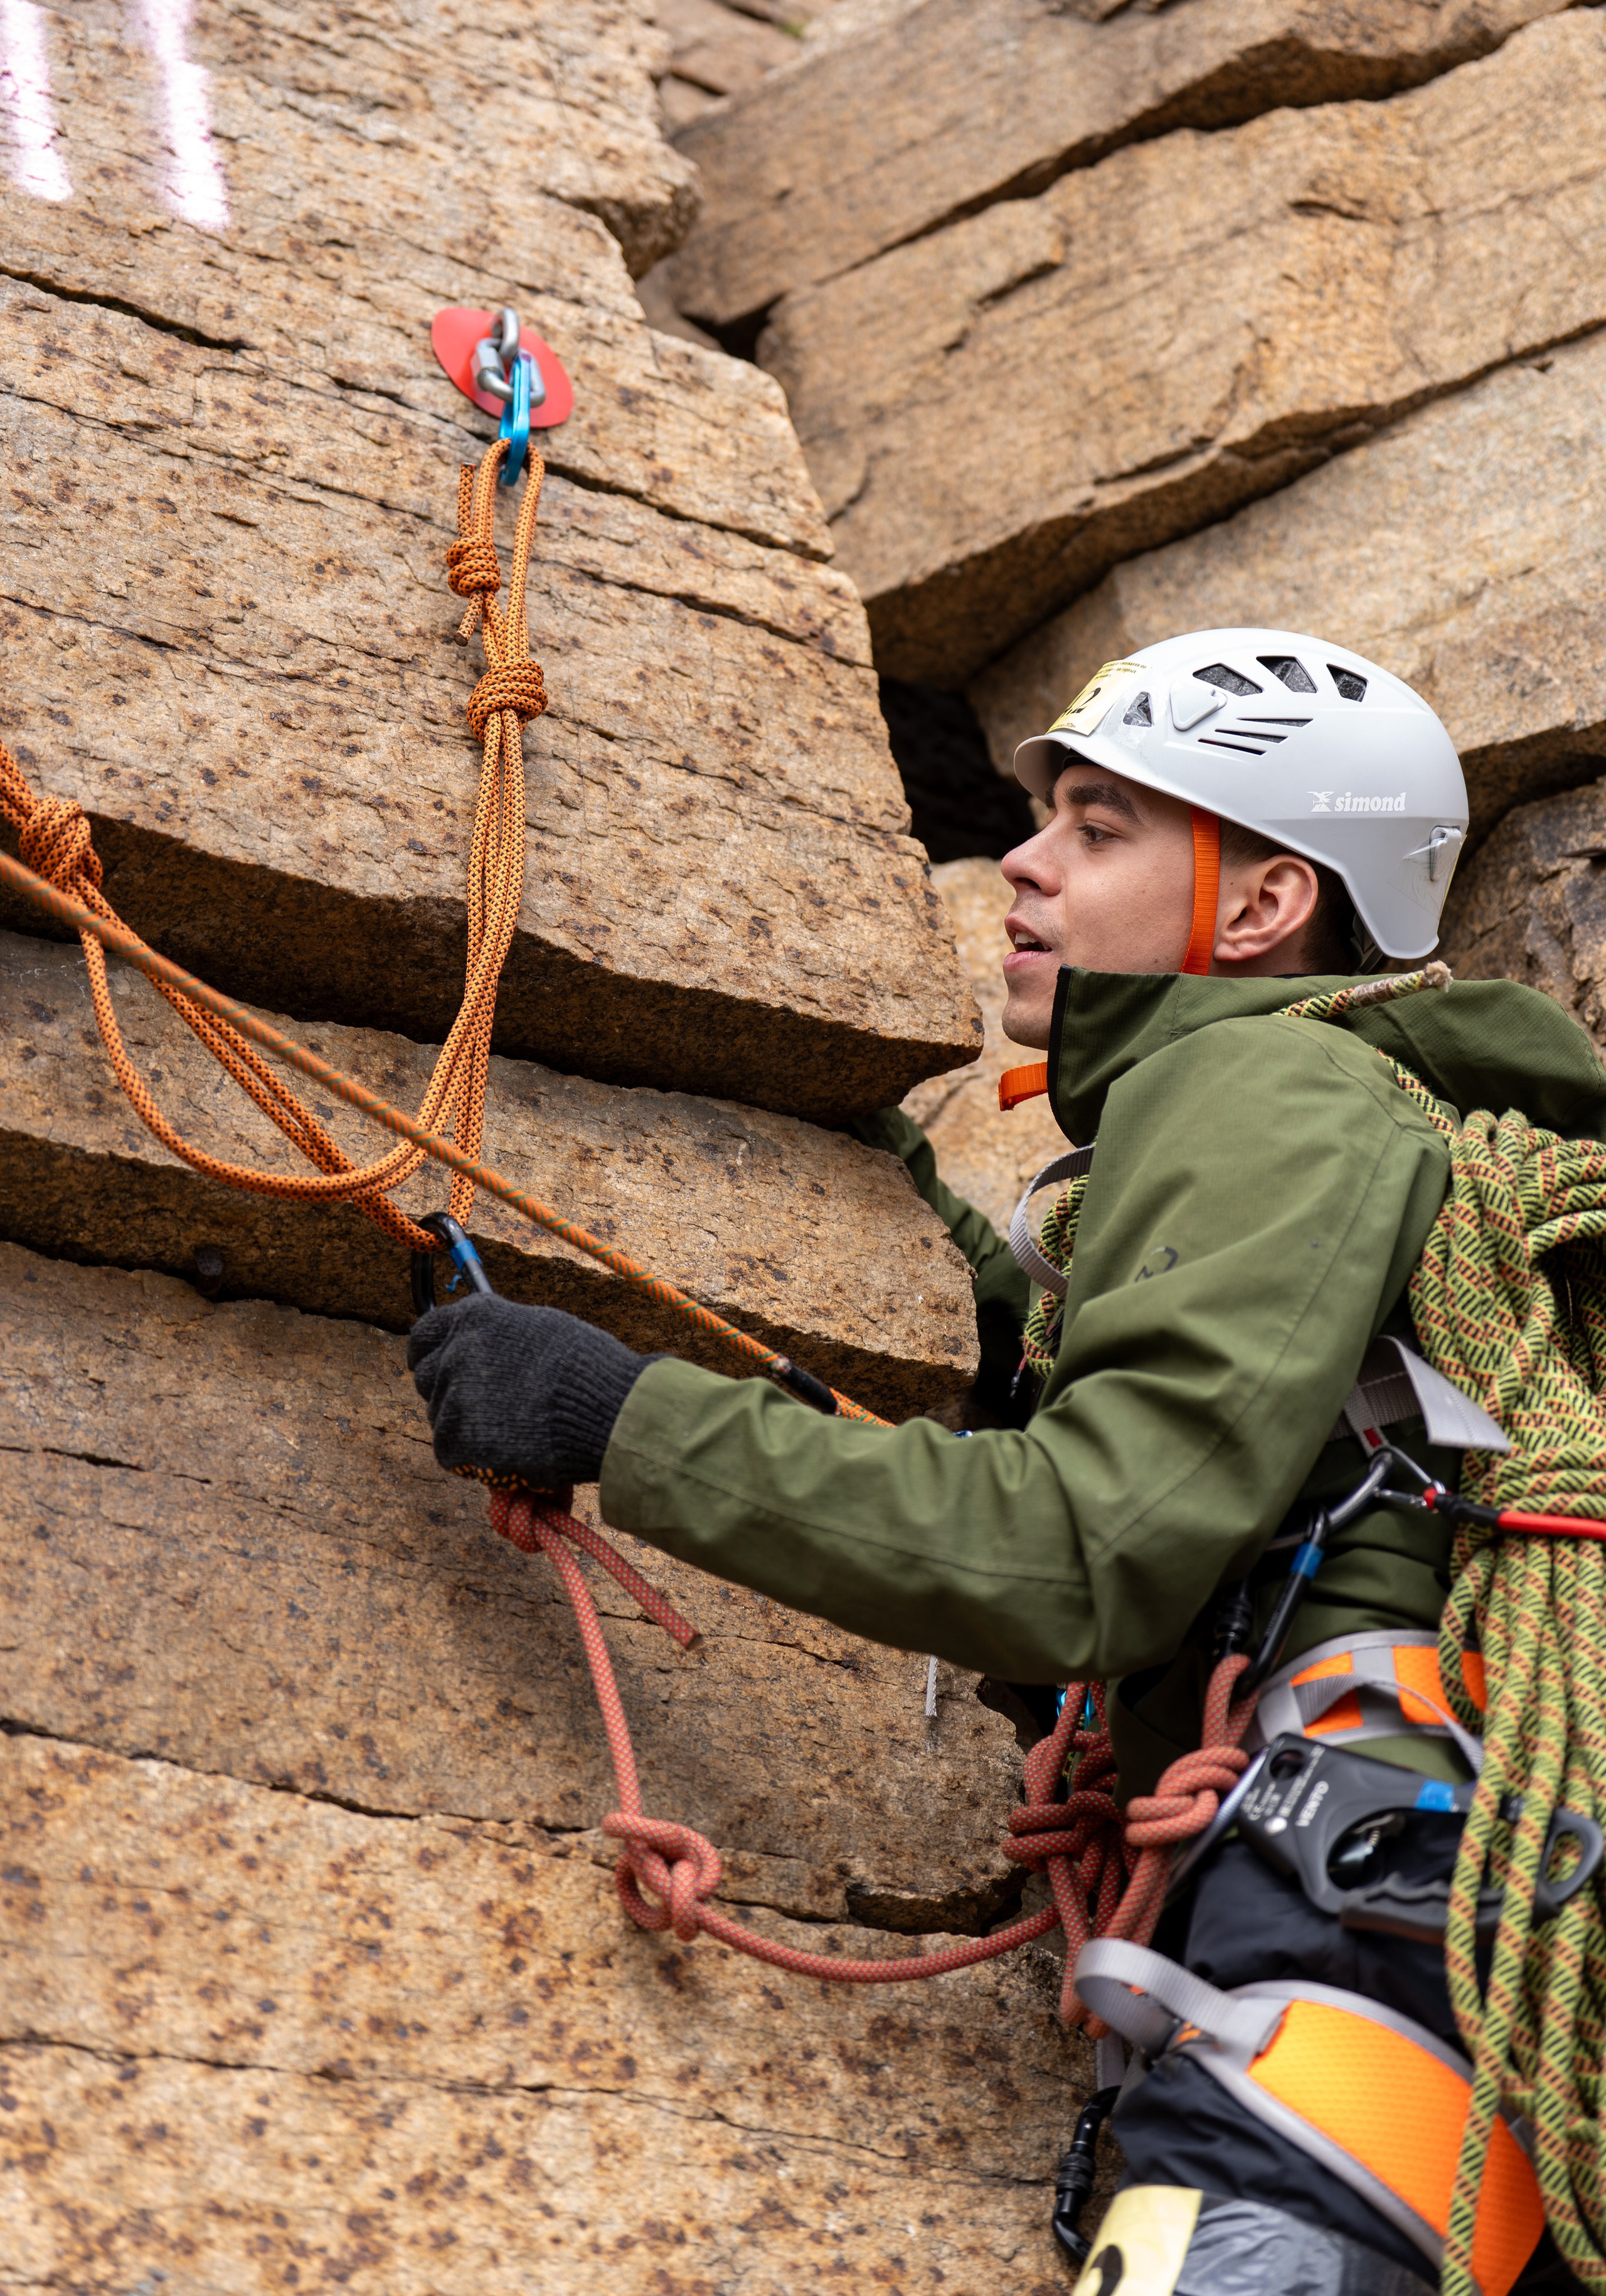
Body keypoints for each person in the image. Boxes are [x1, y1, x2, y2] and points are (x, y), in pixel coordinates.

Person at [409, 629, 1601, 2295]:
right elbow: (1162, 1424)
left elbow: (1084, 1551)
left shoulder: (1266, 1083)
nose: (1022, 864)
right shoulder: (1328, 1112)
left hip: (1361, 1871)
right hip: (1444, 1897)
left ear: (1265, 909)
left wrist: (627, 1419)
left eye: (1101, 828)